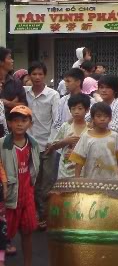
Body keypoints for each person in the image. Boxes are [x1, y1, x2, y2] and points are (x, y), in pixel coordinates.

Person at [1, 106, 40, 266]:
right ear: (9, 123)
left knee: (27, 232)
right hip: (8, 196)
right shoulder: (2, 144)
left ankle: (28, 263)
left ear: (30, 123)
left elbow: (35, 170)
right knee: (4, 234)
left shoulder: (34, 144)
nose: (19, 124)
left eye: (24, 120)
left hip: (27, 195)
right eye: (15, 120)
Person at [24, 61, 58, 231]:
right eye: (34, 74)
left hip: (48, 146)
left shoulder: (53, 95)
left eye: (40, 74)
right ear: (29, 76)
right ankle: (36, 215)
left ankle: (46, 216)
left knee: (47, 183)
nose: (37, 77)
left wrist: (52, 142)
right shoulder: (25, 93)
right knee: (32, 181)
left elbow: (56, 121)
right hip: (30, 145)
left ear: (45, 75)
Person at [70, 102, 118, 180]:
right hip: (91, 181)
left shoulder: (114, 136)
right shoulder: (86, 136)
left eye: (106, 116)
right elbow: (79, 160)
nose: (102, 119)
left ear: (110, 118)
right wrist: (77, 180)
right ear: (93, 118)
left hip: (112, 181)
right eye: (98, 116)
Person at [46, 94, 90, 179]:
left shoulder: (90, 129)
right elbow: (54, 146)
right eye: (73, 109)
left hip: (83, 171)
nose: (76, 111)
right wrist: (65, 141)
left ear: (87, 110)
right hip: (65, 170)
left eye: (80, 108)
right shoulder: (65, 126)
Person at [0, 47, 27, 123]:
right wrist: (14, 103)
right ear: (1, 62)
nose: (12, 61)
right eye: (9, 58)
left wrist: (7, 103)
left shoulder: (16, 82)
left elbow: (24, 105)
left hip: (12, 126)